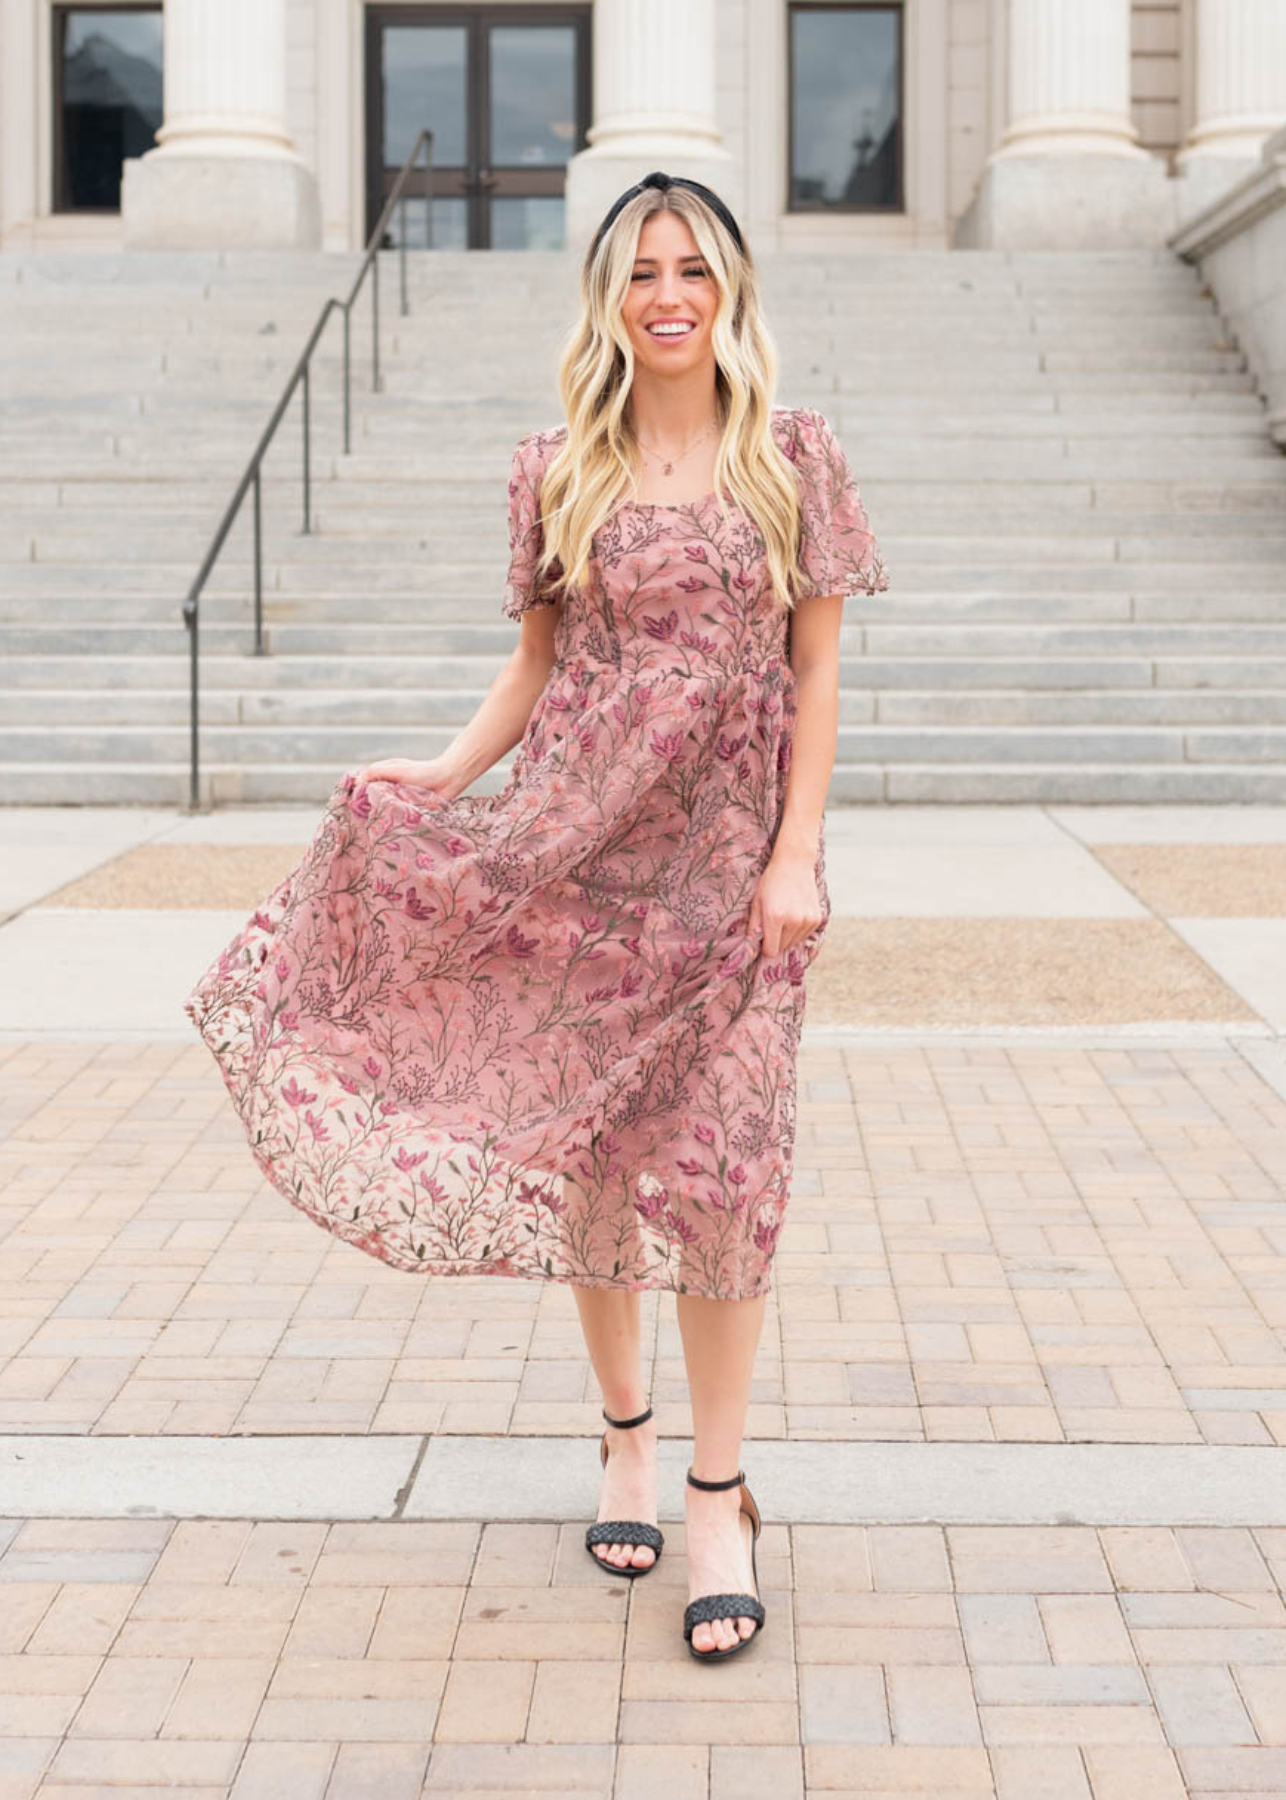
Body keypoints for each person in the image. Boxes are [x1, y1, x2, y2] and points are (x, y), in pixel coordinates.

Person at [184, 169, 889, 1662]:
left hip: (731, 879)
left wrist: (798, 852)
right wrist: (442, 771)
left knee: (723, 1177)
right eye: (640, 271)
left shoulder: (796, 458)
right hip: (579, 857)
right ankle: (625, 1440)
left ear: (732, 290)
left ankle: (719, 1491)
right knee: (596, 1158)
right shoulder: (557, 465)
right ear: (609, 299)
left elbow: (817, 674)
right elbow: (536, 672)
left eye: (692, 268)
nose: (667, 292)